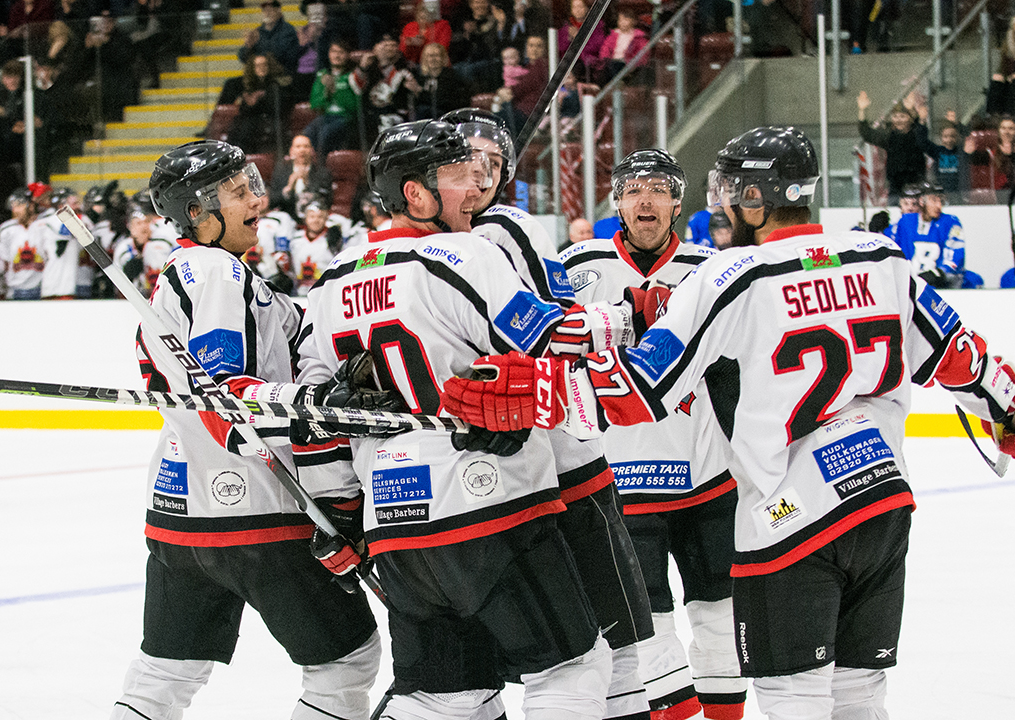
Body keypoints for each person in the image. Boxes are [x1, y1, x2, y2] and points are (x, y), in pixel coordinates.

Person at [442, 125, 1015, 720]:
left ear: (756, 198)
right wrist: (1014, 408)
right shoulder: (880, 257)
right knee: (860, 694)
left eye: (731, 190)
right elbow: (961, 356)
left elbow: (637, 389)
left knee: (794, 698)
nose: (723, 203)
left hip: (794, 516)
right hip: (883, 504)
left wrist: (534, 393)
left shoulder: (733, 275)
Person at [295, 119, 613, 720]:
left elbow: (315, 414)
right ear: (415, 193)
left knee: (443, 695)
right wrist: (619, 321)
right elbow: (552, 340)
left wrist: (340, 512)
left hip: (394, 522)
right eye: (459, 176)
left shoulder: (332, 279)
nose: (476, 188)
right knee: (572, 668)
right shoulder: (467, 254)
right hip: (491, 504)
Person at [110, 139, 385, 720]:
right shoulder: (215, 271)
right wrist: (308, 400)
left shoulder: (186, 276)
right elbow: (226, 395)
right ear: (198, 212)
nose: (258, 201)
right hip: (259, 510)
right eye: (240, 192)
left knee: (166, 672)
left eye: (254, 187)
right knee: (346, 661)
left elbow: (293, 332)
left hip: (179, 512)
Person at [447, 108, 656, 720]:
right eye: (467, 164)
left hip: (535, 467)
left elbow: (554, 329)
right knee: (574, 649)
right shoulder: (470, 237)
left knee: (600, 645)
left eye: (491, 163)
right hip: (526, 470)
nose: (480, 175)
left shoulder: (501, 229)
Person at [558, 149, 746, 720]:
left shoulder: (712, 268)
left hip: (709, 477)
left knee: (720, 619)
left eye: (659, 189)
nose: (646, 199)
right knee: (648, 628)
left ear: (677, 203)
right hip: (620, 484)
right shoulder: (575, 267)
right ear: (617, 203)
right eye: (634, 189)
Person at [891, 182, 968, 288]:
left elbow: (955, 257)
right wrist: (878, 231)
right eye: (934, 200)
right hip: (910, 287)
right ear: (922, 201)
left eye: (941, 201)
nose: (939, 206)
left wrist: (939, 273)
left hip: (942, 287)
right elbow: (891, 249)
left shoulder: (950, 222)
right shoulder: (906, 221)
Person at [856, 91, 929, 196]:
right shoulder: (890, 137)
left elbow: (920, 129)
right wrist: (862, 110)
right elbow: (867, 133)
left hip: (917, 186)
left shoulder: (916, 134)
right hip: (896, 188)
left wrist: (913, 111)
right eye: (895, 116)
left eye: (902, 116)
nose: (899, 120)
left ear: (909, 119)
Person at [305, 40, 362, 156]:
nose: (337, 55)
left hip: (346, 118)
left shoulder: (353, 75)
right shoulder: (322, 75)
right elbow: (315, 104)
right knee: (306, 134)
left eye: (341, 52)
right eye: (334, 52)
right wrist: (326, 92)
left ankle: (324, 163)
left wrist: (335, 91)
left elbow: (354, 106)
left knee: (325, 134)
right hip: (326, 116)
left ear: (348, 55)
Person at [223, 53, 288, 155]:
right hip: (251, 121)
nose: (262, 68)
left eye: (264, 65)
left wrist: (260, 100)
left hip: (270, 121)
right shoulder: (247, 85)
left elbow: (278, 108)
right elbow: (244, 111)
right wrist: (250, 104)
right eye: (258, 65)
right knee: (240, 127)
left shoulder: (275, 85)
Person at [357, 33, 414, 142]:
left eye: (393, 45)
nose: (389, 49)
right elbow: (357, 89)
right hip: (372, 114)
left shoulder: (405, 68)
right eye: (385, 45)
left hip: (396, 114)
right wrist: (363, 67)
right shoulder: (369, 68)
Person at [965, 115, 1015, 194]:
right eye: (1003, 128)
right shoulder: (992, 152)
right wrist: (968, 153)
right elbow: (976, 159)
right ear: (999, 131)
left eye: (1011, 129)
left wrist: (1013, 153)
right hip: (1001, 194)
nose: (1006, 132)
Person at [272, 134, 334, 220]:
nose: (302, 150)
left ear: (312, 151)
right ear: (291, 151)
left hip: (315, 219)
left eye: (306, 146)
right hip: (288, 218)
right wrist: (289, 188)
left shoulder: (322, 173)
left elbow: (327, 200)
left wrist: (308, 183)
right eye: (298, 147)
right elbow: (272, 200)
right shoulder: (281, 172)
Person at [287, 199, 346, 291]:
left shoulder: (333, 239)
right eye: (312, 216)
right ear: (305, 218)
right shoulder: (295, 238)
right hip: (298, 291)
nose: (316, 220)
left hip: (324, 292)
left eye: (320, 217)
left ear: (326, 218)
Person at [0, 187, 45, 300]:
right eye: (13, 206)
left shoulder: (44, 226)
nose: (15, 210)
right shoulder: (6, 229)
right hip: (15, 289)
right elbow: (3, 263)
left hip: (42, 289)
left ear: (31, 206)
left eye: (19, 206)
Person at [406, 42, 473, 120]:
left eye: (437, 55)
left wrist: (420, 91)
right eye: (430, 56)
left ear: (443, 58)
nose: (433, 59)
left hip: (447, 116)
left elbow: (444, 102)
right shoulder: (419, 77)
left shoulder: (452, 76)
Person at [239, 0, 304, 75]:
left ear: (278, 12)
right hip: (262, 75)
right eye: (265, 10)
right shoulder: (257, 32)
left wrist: (264, 58)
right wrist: (248, 47)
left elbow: (291, 58)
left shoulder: (288, 30)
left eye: (271, 10)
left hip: (282, 74)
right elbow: (243, 58)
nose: (267, 13)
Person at [593, 6, 648, 85]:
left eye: (626, 20)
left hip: (627, 63)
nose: (622, 22)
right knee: (603, 69)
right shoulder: (614, 34)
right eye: (620, 20)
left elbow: (642, 53)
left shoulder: (638, 37)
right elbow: (605, 47)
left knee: (615, 66)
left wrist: (633, 63)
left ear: (633, 21)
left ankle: (617, 84)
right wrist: (604, 58)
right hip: (612, 61)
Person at [556, 0, 607, 82]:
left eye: (580, 7)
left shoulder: (596, 25)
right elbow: (559, 48)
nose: (577, 10)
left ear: (587, 8)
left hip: (587, 63)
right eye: (574, 7)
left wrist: (579, 38)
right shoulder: (567, 27)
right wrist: (569, 38)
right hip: (568, 62)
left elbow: (596, 47)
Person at [923, 112, 968, 199]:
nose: (949, 140)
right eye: (945, 136)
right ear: (941, 137)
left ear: (957, 137)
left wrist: (957, 124)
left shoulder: (962, 151)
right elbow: (922, 142)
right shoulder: (937, 151)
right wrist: (922, 122)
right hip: (940, 192)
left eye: (952, 136)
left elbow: (968, 135)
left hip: (959, 192)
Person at [399, 1, 452, 65]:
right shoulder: (409, 26)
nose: (423, 14)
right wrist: (410, 45)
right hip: (412, 64)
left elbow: (443, 48)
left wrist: (423, 44)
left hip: (435, 63)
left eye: (427, 11)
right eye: (421, 10)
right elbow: (402, 51)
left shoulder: (442, 25)